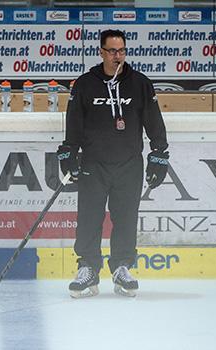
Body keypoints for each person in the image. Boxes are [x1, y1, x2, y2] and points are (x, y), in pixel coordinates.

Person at [57, 29, 169, 298]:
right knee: (89, 218)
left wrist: (159, 153)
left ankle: (121, 267)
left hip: (129, 164)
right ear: (101, 52)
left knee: (126, 218)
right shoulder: (84, 84)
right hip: (93, 164)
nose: (117, 56)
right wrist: (68, 152)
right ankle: (88, 269)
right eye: (112, 51)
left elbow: (154, 122)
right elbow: (74, 123)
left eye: (121, 51)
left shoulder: (140, 83)